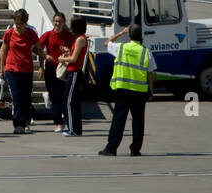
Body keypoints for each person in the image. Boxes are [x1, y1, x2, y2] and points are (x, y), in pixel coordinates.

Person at [100, 24, 156, 156]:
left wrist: (120, 33)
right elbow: (150, 73)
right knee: (138, 121)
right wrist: (151, 90)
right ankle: (135, 149)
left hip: (123, 89)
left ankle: (111, 148)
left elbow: (106, 43)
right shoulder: (145, 51)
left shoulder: (121, 48)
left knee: (119, 119)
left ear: (129, 35)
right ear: (141, 36)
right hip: (139, 90)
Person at [0, 9, 43, 134]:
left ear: (26, 22)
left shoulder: (30, 33)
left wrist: (42, 64)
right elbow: (3, 51)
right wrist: (1, 68)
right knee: (17, 98)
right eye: (17, 24)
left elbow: (39, 49)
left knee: (26, 98)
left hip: (27, 69)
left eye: (22, 24)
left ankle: (26, 120)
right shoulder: (9, 33)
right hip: (12, 69)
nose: (19, 26)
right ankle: (18, 124)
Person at [39, 12, 72, 132]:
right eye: (56, 21)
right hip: (51, 68)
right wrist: (44, 58)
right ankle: (59, 122)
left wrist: (68, 51)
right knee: (54, 95)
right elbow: (37, 48)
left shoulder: (68, 35)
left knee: (62, 96)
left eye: (60, 21)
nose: (57, 23)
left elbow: (75, 50)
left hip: (64, 69)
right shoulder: (48, 35)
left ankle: (62, 121)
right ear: (53, 22)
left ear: (64, 23)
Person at [62, 17, 89, 137]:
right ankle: (75, 128)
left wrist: (62, 58)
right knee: (72, 102)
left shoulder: (80, 39)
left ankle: (73, 129)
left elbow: (74, 59)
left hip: (75, 72)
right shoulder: (79, 39)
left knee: (68, 102)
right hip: (73, 72)